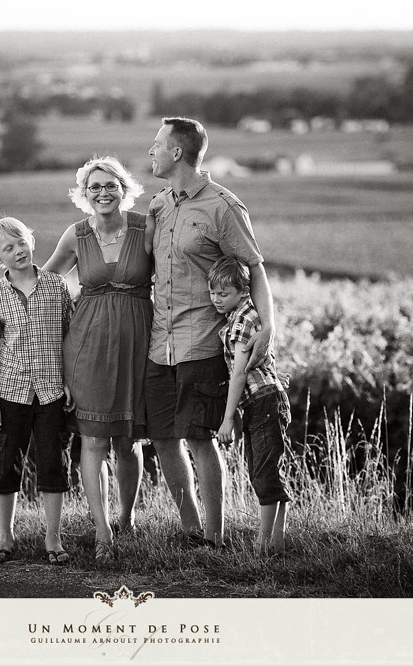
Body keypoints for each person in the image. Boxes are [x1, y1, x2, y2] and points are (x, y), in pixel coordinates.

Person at [146, 116, 276, 548]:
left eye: (158, 144)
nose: (152, 151)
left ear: (177, 152)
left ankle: (215, 538)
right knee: (164, 438)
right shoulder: (161, 204)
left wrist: (268, 324)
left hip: (201, 341)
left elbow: (254, 267)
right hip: (157, 343)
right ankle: (190, 528)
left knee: (200, 440)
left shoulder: (223, 206)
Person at [43, 155, 153, 563]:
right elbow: (44, 283)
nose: (103, 193)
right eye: (95, 187)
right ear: (84, 195)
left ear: (124, 189)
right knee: (93, 439)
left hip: (140, 344)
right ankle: (103, 530)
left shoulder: (146, 228)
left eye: (110, 185)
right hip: (86, 348)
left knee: (128, 439)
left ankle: (127, 517)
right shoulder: (76, 236)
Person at [0, 217, 74, 565]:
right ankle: (5, 537)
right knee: (5, 467)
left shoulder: (56, 287)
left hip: (51, 393)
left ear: (31, 241)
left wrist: (69, 380)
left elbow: (68, 337)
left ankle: (53, 538)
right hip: (10, 392)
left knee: (53, 464)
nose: (18, 250)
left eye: (21, 242)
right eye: (8, 248)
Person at [209, 256, 291, 555]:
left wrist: (228, 419)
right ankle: (276, 543)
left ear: (243, 291)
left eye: (224, 294)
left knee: (263, 474)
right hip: (266, 400)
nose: (217, 300)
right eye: (213, 293)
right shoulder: (240, 315)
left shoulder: (243, 321)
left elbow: (239, 373)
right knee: (266, 471)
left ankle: (262, 544)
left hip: (264, 400)